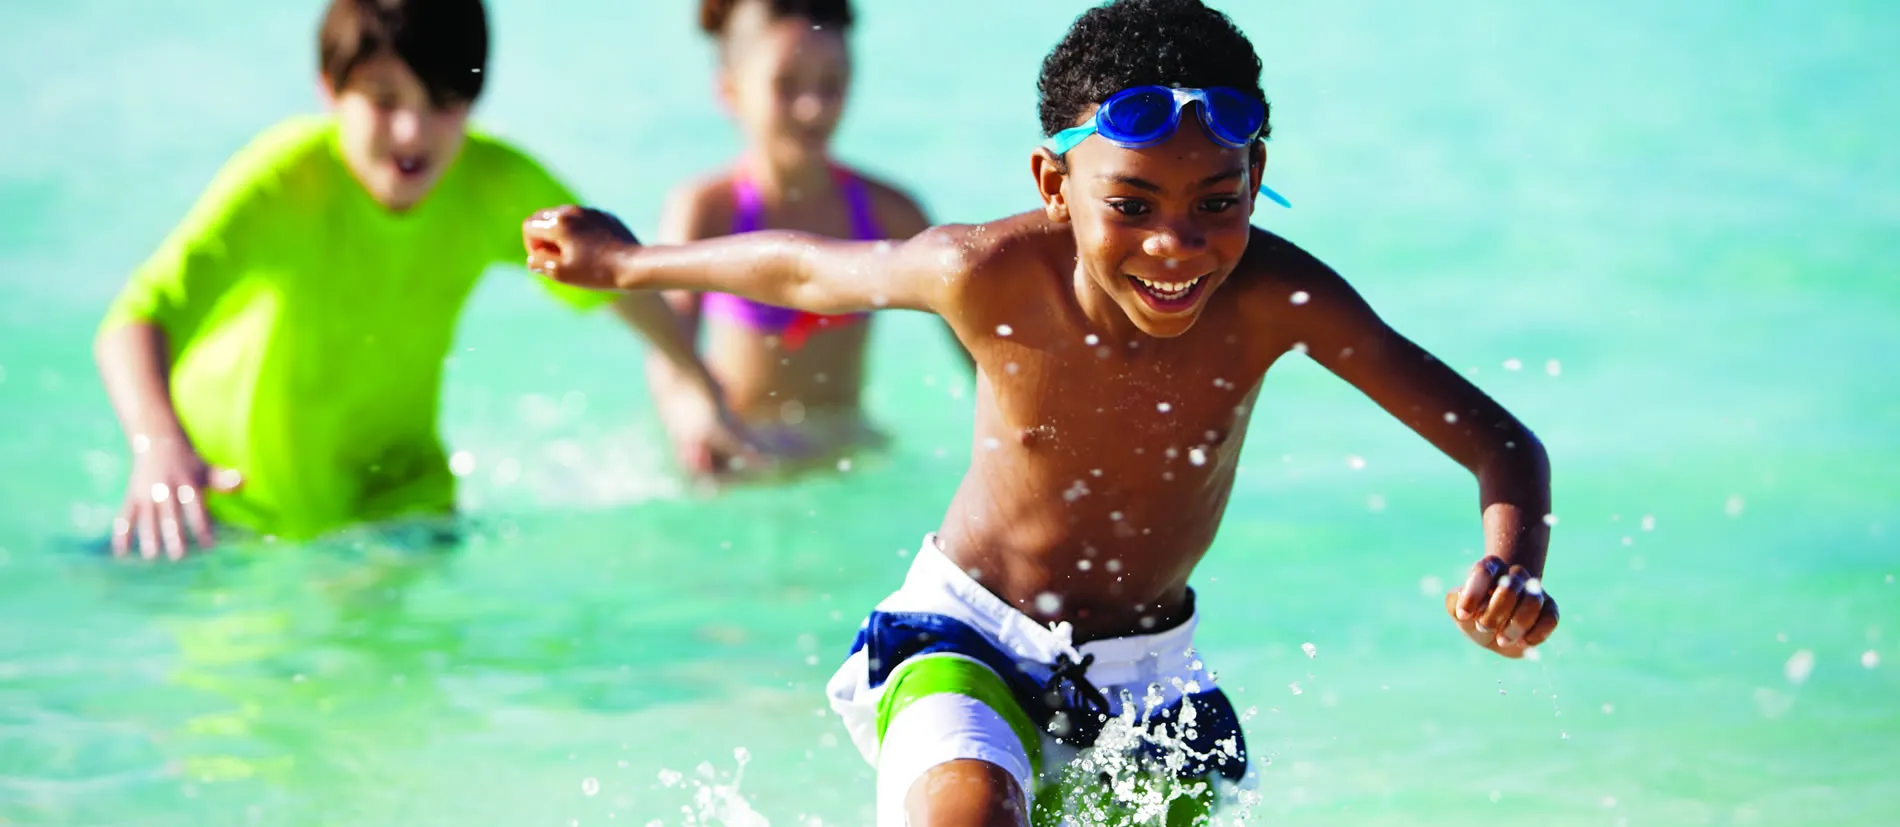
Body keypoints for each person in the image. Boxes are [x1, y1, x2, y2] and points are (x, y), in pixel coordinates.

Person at [522, 0, 1560, 822]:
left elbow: (1497, 441)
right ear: (1053, 184)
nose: (1176, 243)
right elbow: (802, 268)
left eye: (1217, 200)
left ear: (1257, 177)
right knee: (970, 807)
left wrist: (1511, 561)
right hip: (967, 629)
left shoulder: (1281, 298)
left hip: (1151, 676)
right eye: (1130, 203)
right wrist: (626, 261)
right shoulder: (984, 272)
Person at [94, 0, 748, 560]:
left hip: (400, 500)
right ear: (329, 88)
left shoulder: (497, 187)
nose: (412, 132)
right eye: (383, 100)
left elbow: (615, 278)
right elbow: (136, 318)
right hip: (226, 500)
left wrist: (698, 388)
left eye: (442, 102)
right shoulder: (281, 183)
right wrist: (159, 447)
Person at [643, 0, 963, 479]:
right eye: (786, 86)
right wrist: (694, 418)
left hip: (849, 452)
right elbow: (668, 349)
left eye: (831, 85)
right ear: (730, 92)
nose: (813, 107)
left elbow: (979, 341)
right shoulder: (708, 209)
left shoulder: (890, 212)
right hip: (741, 455)